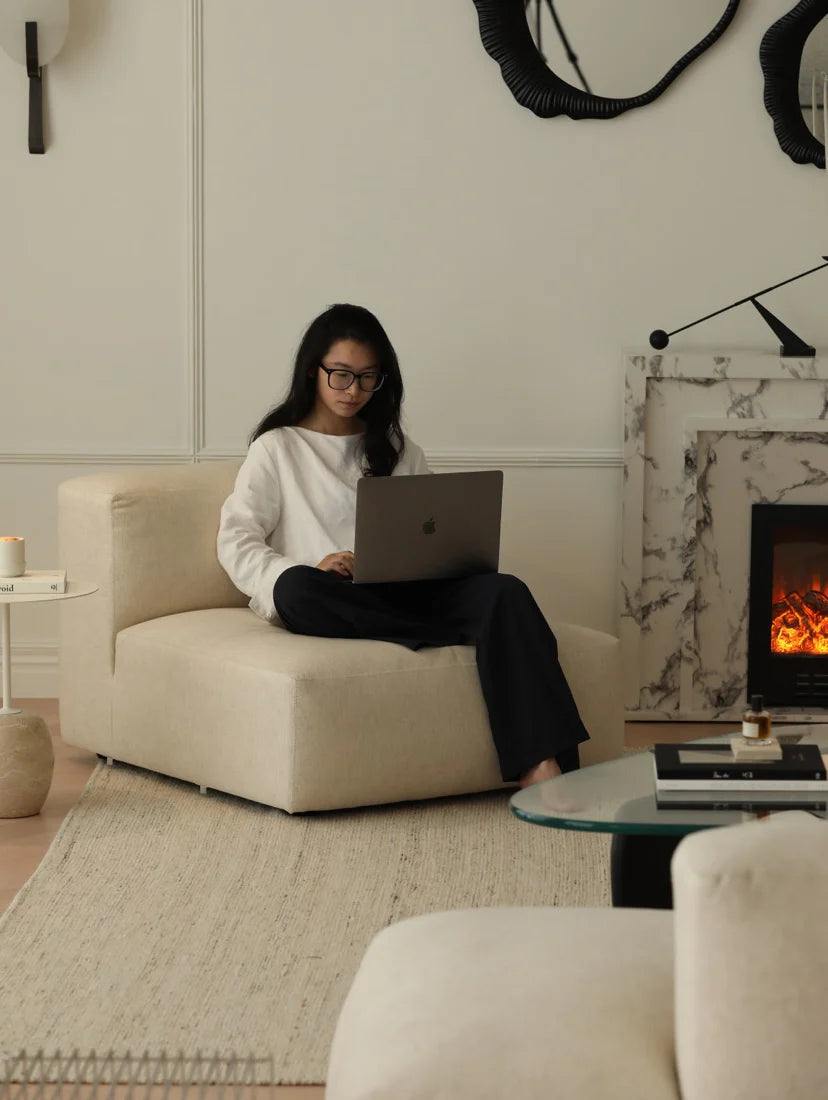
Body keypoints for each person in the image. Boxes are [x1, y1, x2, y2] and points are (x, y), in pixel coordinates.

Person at [216, 303, 589, 788]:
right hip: (330, 596)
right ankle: (459, 630)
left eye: (368, 377)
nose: (354, 390)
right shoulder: (277, 447)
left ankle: (541, 766)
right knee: (296, 590)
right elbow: (236, 540)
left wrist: (443, 558)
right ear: (313, 371)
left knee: (506, 591)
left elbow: (430, 533)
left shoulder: (398, 449)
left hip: (404, 593)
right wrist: (309, 566)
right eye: (341, 375)